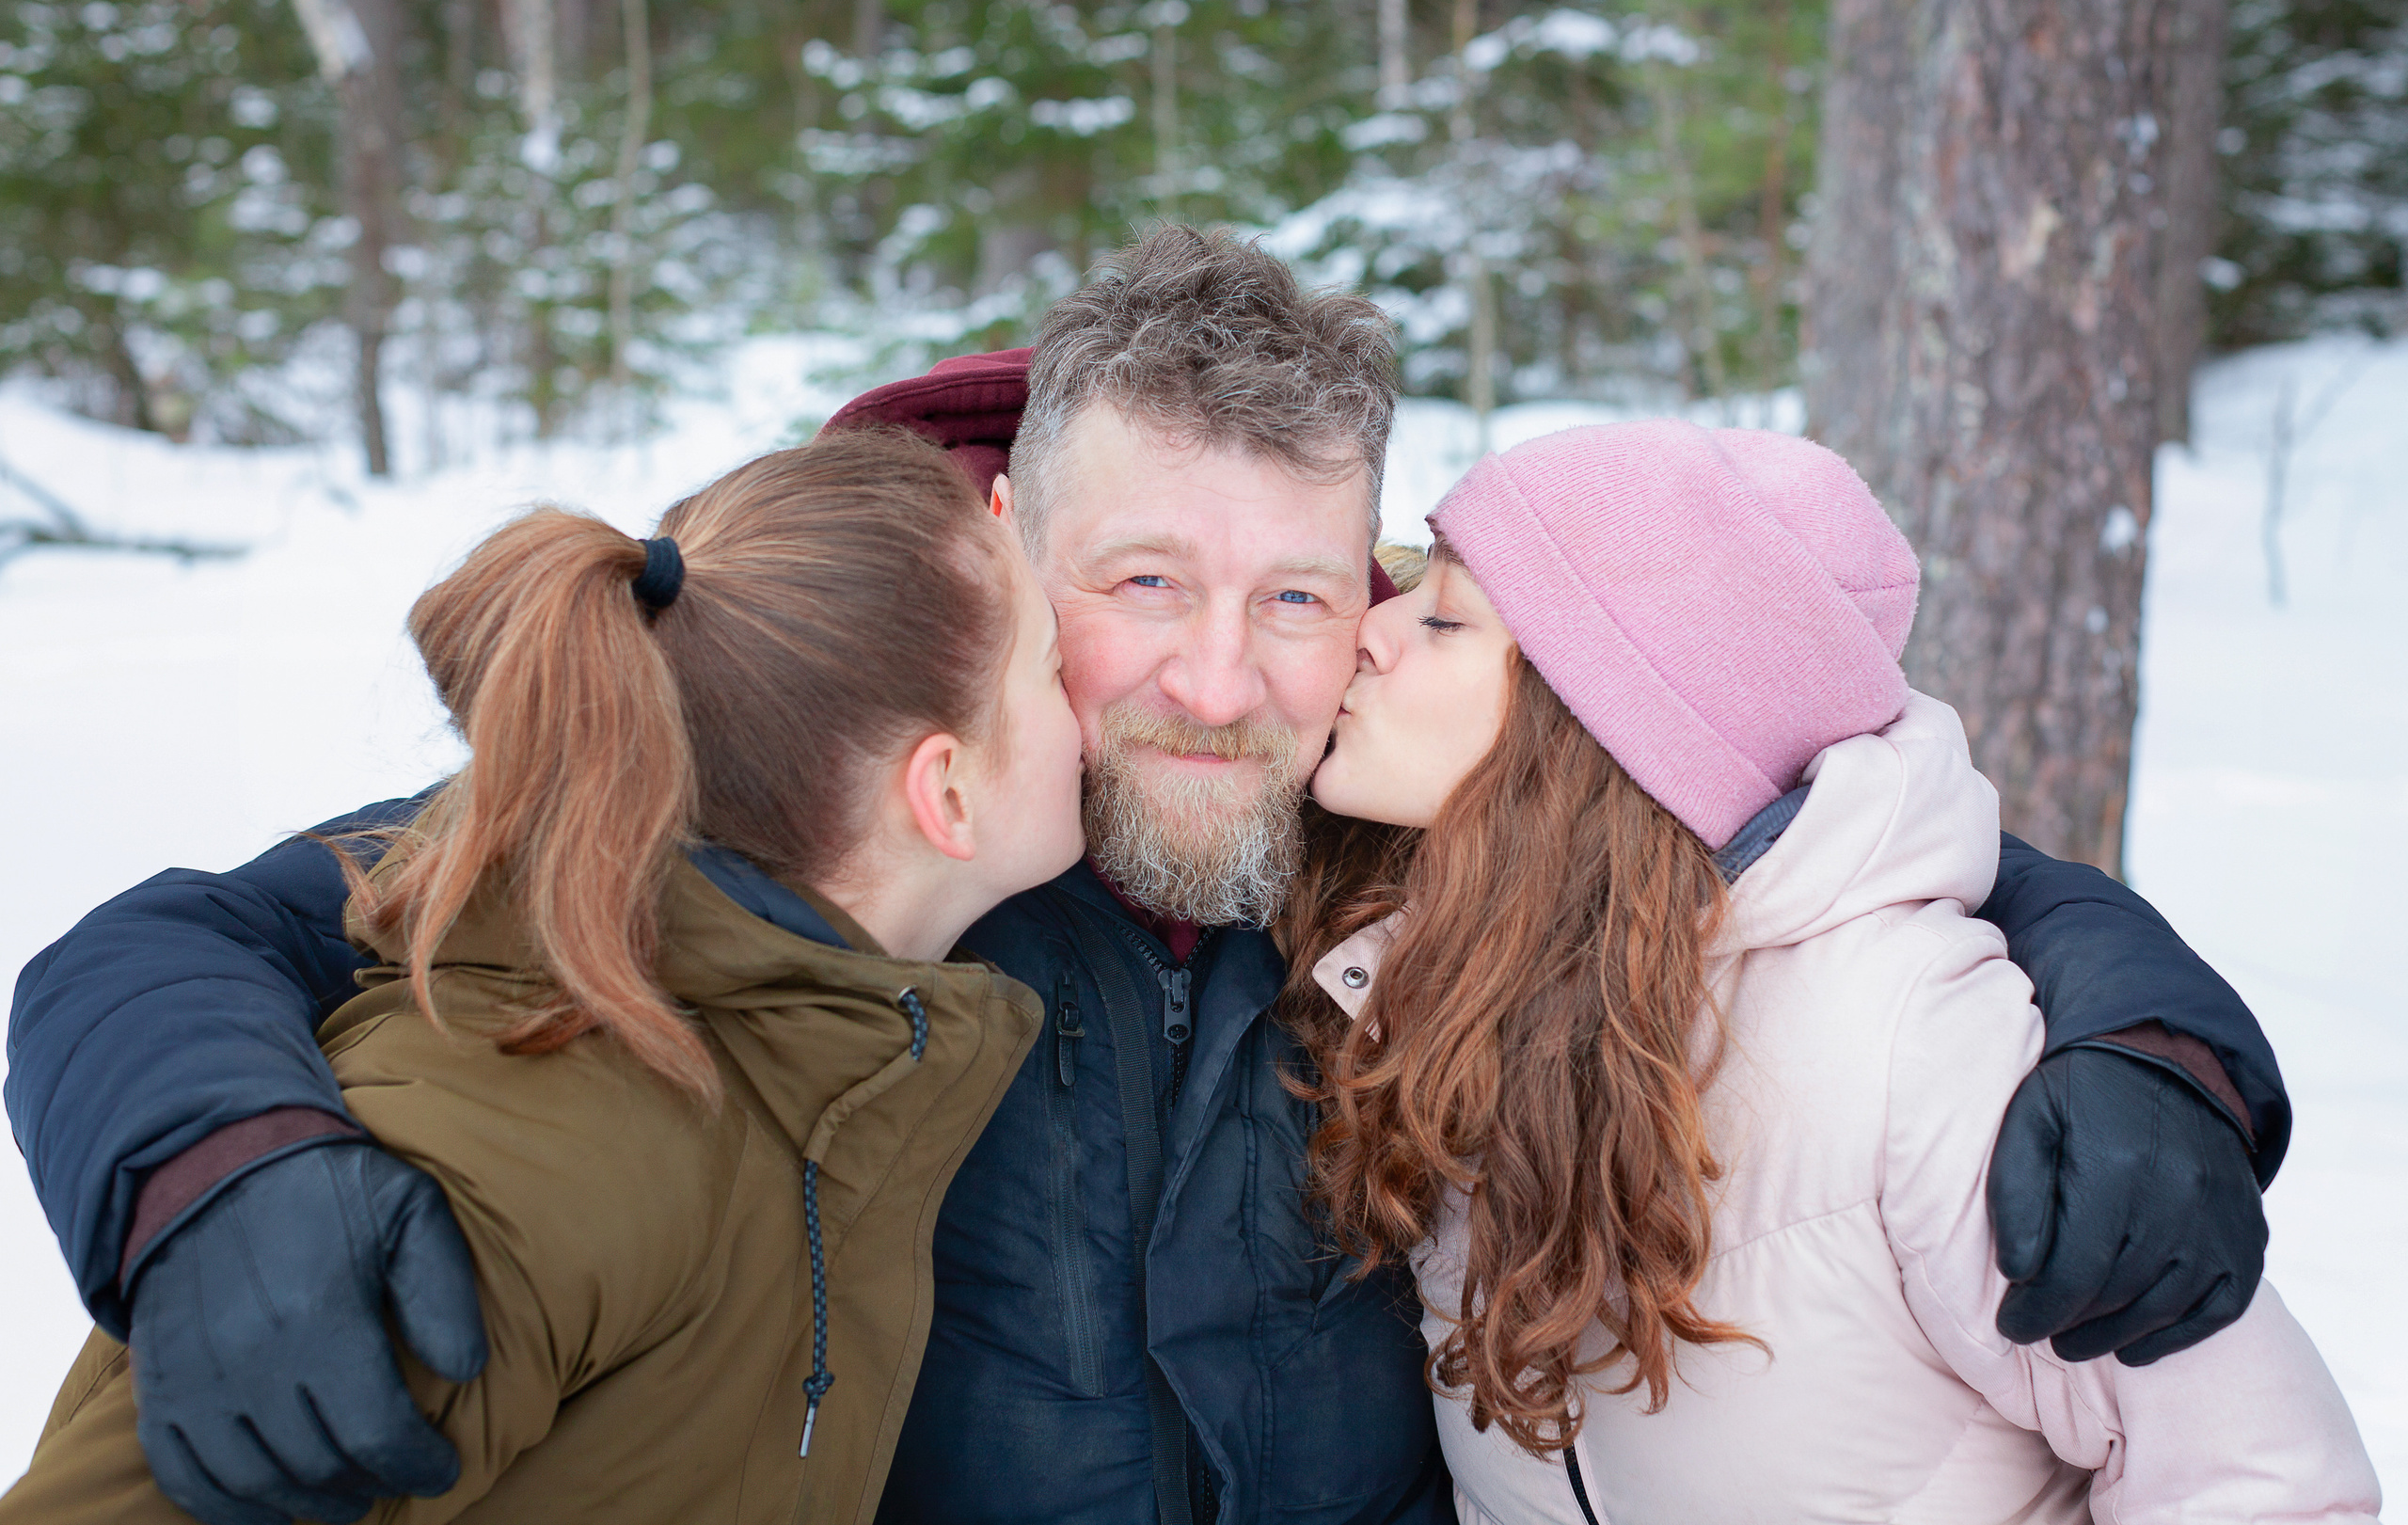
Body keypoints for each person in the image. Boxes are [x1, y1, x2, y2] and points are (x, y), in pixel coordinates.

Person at [8, 230, 2289, 1525]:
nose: (1217, 682)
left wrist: (2143, 1031)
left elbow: (1814, 842)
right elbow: (206, 926)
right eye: (1143, 583)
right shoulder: (853, 807)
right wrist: (220, 1166)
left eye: (1299, 593)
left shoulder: (1401, 810)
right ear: (1002, 551)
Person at [1293, 421, 2379, 1523]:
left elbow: (2267, 1482)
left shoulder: (1906, 1047)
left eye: (1444, 619)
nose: (1368, 632)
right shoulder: (1442, 1000)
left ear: (1601, 728)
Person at [2, 427, 1088, 1524]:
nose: (1088, 708)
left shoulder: (808, 1041)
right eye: (1051, 668)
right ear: (943, 794)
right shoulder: (534, 1170)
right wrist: (220, 1171)